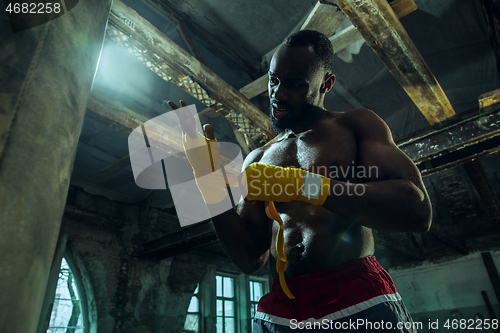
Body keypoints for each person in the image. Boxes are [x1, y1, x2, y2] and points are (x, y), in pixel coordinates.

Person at [169, 30, 432, 332]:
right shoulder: (258, 158)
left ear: (327, 83)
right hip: (283, 308)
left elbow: (417, 210)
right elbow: (249, 258)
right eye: (273, 80)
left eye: (294, 84)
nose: (278, 94)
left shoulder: (354, 125)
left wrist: (303, 186)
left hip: (355, 297)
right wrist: (207, 177)